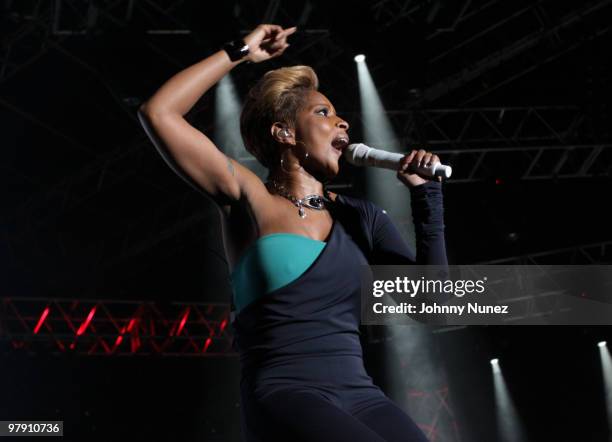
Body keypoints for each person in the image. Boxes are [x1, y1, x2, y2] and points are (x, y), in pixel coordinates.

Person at [138, 23, 447, 442]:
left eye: (339, 116)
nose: (343, 125)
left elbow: (434, 306)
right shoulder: (247, 196)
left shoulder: (364, 217)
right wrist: (240, 51)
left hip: (361, 396)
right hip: (285, 393)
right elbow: (159, 113)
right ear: (284, 132)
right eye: (323, 113)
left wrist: (427, 200)